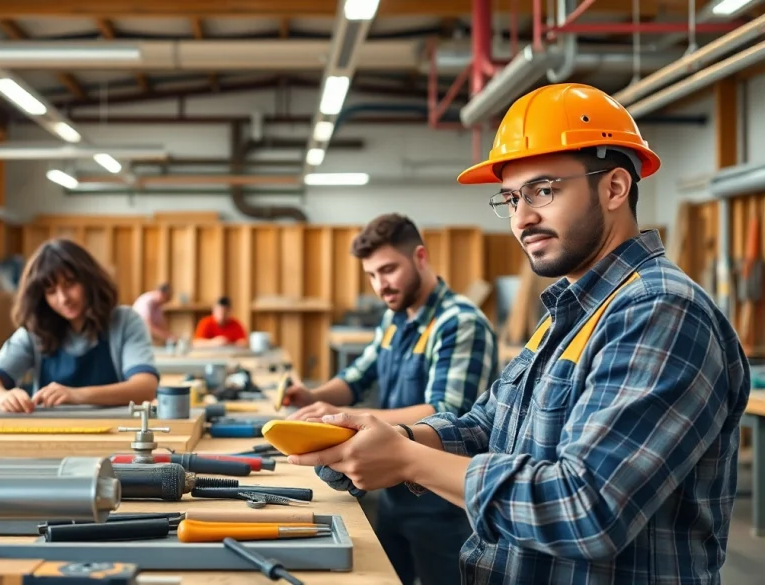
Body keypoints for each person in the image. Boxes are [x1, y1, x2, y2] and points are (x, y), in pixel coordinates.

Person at [287, 83, 751, 584]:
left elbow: (585, 508)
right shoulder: (567, 313)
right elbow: (488, 427)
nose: (522, 218)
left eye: (543, 191)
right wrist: (393, 437)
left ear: (615, 188)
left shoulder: (661, 311)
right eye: (510, 198)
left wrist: (405, 459)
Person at [284, 213, 500, 585]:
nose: (380, 285)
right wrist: (312, 395)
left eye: (387, 270)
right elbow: (358, 376)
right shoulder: (394, 318)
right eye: (371, 275)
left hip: (441, 500)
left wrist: (344, 415)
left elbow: (444, 411)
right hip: (390, 489)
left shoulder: (458, 322)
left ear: (420, 257)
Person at [0, 238, 159, 413]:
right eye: (51, 291)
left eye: (70, 284)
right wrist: (3, 397)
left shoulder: (125, 321)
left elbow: (145, 387)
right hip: (50, 435)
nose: (63, 299)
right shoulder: (35, 331)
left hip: (115, 433)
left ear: (89, 280)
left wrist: (77, 395)